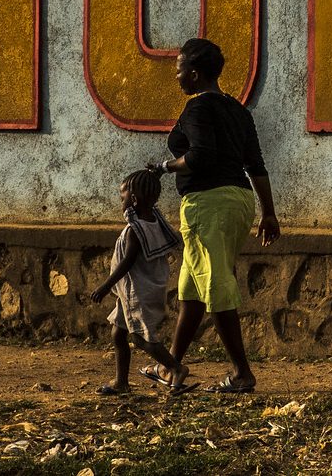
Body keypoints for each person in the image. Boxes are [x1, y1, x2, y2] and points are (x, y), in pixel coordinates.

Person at [160, 37, 280, 393]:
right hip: (238, 200)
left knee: (215, 284)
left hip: (208, 204)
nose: (177, 76)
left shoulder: (197, 109)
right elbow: (255, 163)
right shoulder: (238, 110)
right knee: (192, 289)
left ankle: (242, 373)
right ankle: (170, 367)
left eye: (179, 70)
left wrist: (165, 166)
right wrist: (268, 213)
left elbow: (199, 156)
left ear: (194, 75)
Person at [88, 167, 188, 395]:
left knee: (141, 338)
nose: (120, 201)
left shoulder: (136, 230)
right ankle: (120, 381)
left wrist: (104, 286)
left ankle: (175, 367)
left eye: (122, 197)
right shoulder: (154, 222)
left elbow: (127, 263)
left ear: (132, 199)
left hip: (137, 292)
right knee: (118, 333)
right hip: (135, 291)